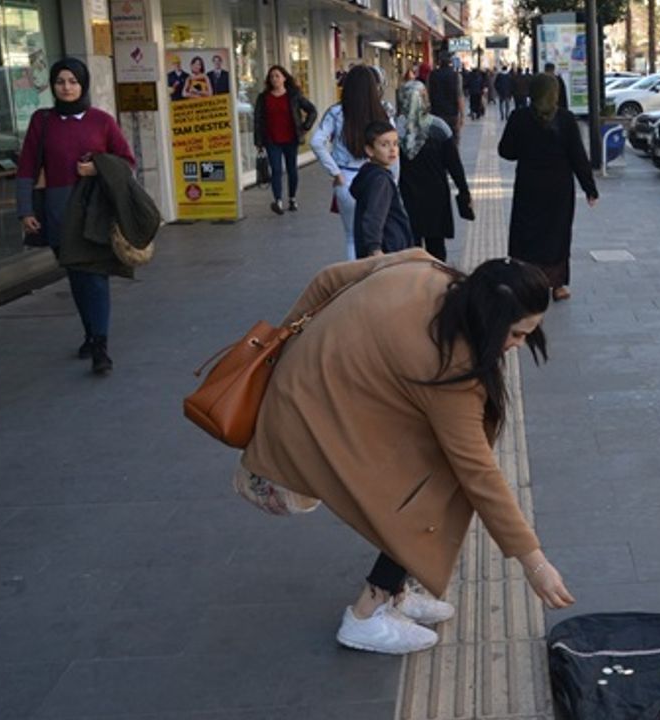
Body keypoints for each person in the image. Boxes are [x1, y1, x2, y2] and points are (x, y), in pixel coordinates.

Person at [238, 249, 577, 656]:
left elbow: (328, 278)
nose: (519, 345)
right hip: (309, 421)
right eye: (517, 333)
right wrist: (534, 563)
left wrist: (284, 347)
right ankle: (366, 616)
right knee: (429, 486)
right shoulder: (450, 365)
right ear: (490, 318)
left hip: (317, 393)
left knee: (430, 471)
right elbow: (478, 472)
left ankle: (394, 590)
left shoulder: (424, 267)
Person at [16, 57, 137, 375]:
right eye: (60, 82)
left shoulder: (101, 121)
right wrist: (25, 209)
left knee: (95, 278)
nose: (67, 87)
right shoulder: (42, 122)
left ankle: (100, 346)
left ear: (82, 84)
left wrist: (97, 167)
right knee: (77, 277)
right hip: (57, 211)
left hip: (94, 212)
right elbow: (27, 166)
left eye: (72, 81)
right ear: (53, 86)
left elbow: (126, 161)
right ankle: (90, 333)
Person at [498, 73, 597, 302]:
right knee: (557, 234)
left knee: (527, 234)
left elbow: (506, 151)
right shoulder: (566, 119)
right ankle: (558, 285)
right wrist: (590, 188)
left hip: (528, 187)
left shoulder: (519, 118)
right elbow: (578, 157)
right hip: (559, 190)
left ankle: (526, 282)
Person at [311, 65, 396, 260]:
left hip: (347, 178)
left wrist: (335, 172)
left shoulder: (336, 112)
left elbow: (316, 142)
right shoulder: (383, 112)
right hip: (377, 178)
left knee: (351, 237)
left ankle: (354, 280)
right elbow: (393, 147)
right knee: (377, 235)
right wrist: (393, 180)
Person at [396, 81, 471, 262]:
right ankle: (435, 284)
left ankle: (414, 284)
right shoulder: (439, 127)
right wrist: (464, 191)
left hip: (405, 197)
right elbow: (454, 165)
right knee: (436, 248)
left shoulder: (393, 130)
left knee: (410, 248)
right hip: (436, 196)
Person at [254, 65, 319, 215]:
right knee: (276, 170)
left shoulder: (293, 95)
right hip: (272, 140)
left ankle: (292, 198)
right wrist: (258, 142)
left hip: (291, 139)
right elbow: (258, 120)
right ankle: (278, 200)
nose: (274, 79)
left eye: (277, 76)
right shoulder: (263, 98)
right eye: (271, 77)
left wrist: (304, 127)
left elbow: (312, 110)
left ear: (284, 78)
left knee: (291, 170)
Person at [350, 121, 416, 259]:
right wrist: (375, 249)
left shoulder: (369, 174)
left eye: (395, 143)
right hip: (388, 251)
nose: (392, 149)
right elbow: (374, 215)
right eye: (384, 145)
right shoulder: (381, 180)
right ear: (370, 150)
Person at [428, 51, 465, 141]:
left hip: (435, 114)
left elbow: (427, 95)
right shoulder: (456, 76)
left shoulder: (432, 75)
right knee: (453, 141)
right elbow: (459, 96)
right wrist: (462, 116)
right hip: (452, 115)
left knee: (437, 141)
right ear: (450, 62)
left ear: (439, 62)